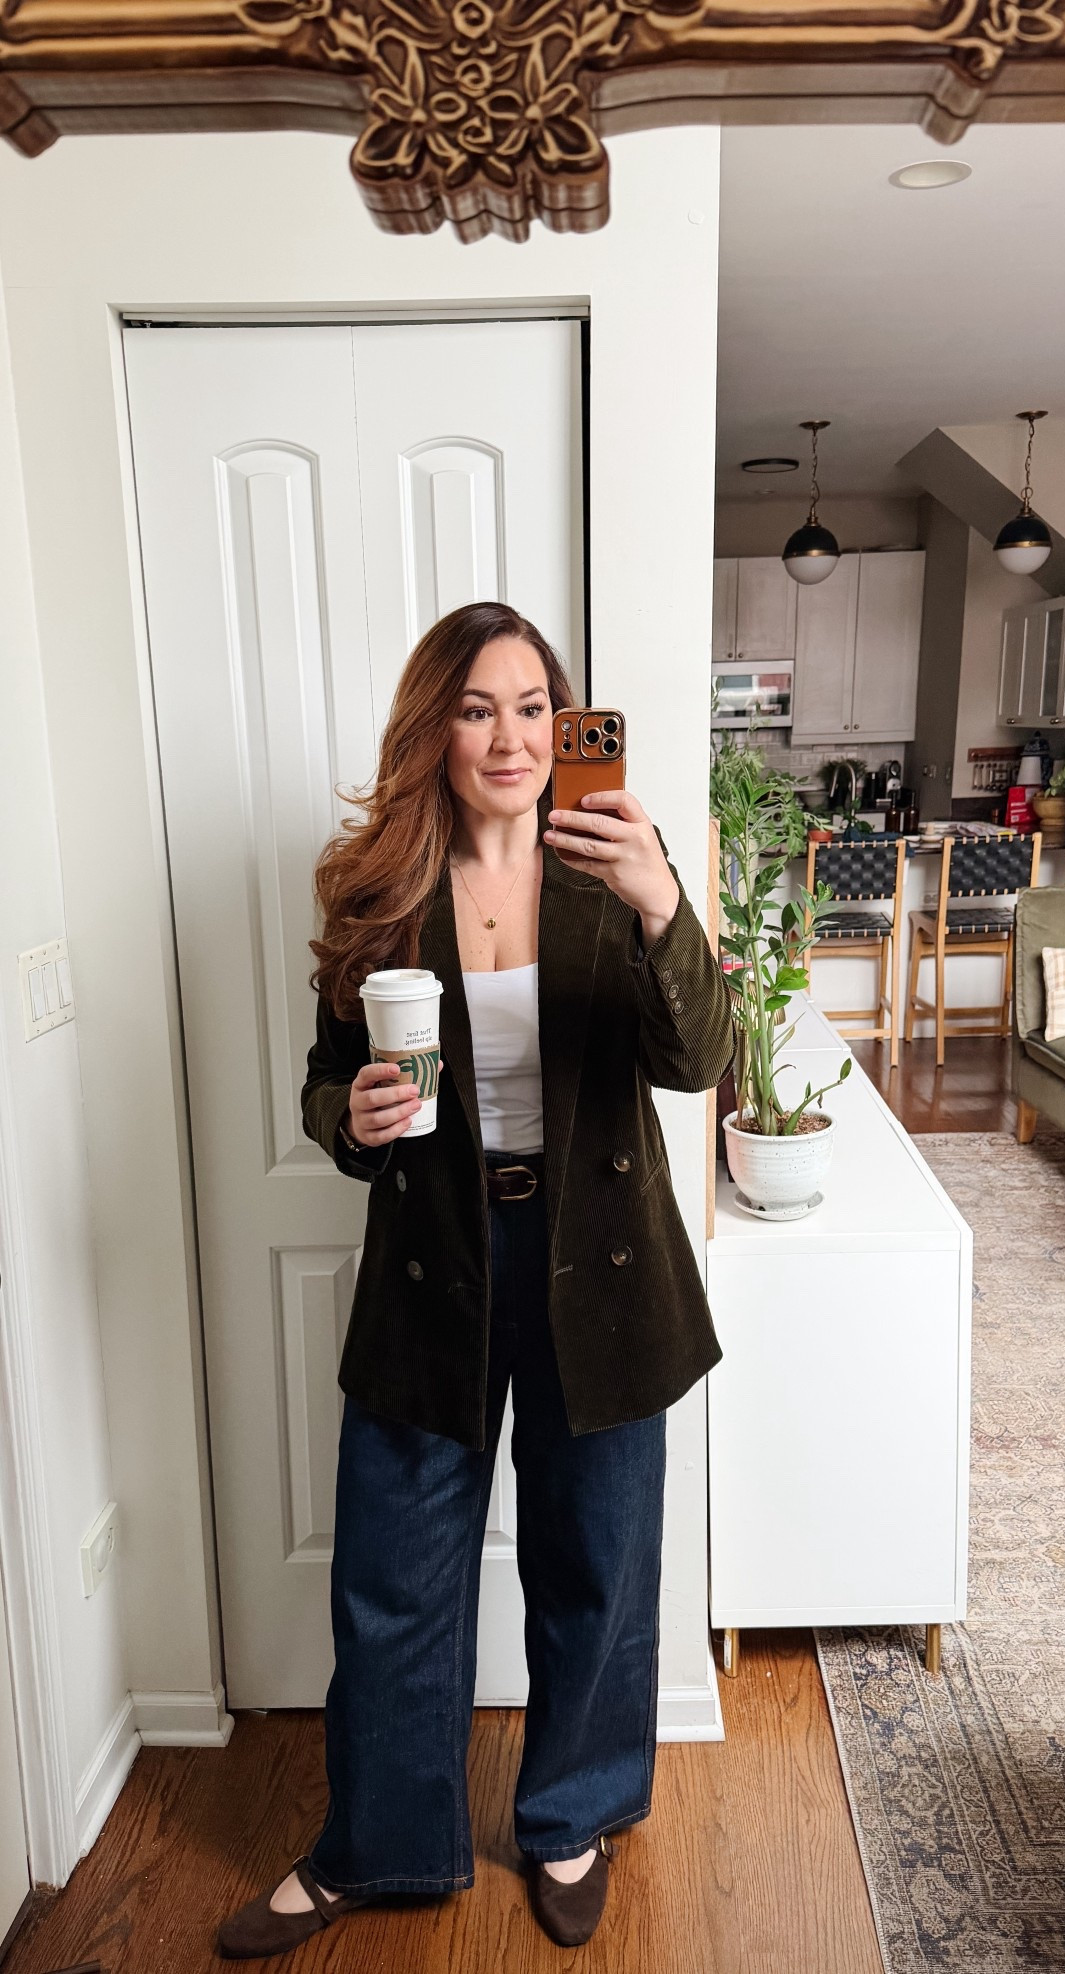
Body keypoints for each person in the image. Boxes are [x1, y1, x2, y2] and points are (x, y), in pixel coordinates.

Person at [217, 601, 734, 1958]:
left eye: (529, 707)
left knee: (595, 1564)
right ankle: (370, 1846)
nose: (505, 735)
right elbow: (328, 1086)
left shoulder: (621, 864)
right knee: (393, 1572)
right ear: (434, 729)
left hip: (602, 1272)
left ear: (564, 728)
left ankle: (568, 1815)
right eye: (473, 707)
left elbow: (694, 1065)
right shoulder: (376, 884)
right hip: (435, 1263)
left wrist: (662, 903)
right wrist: (355, 1118)